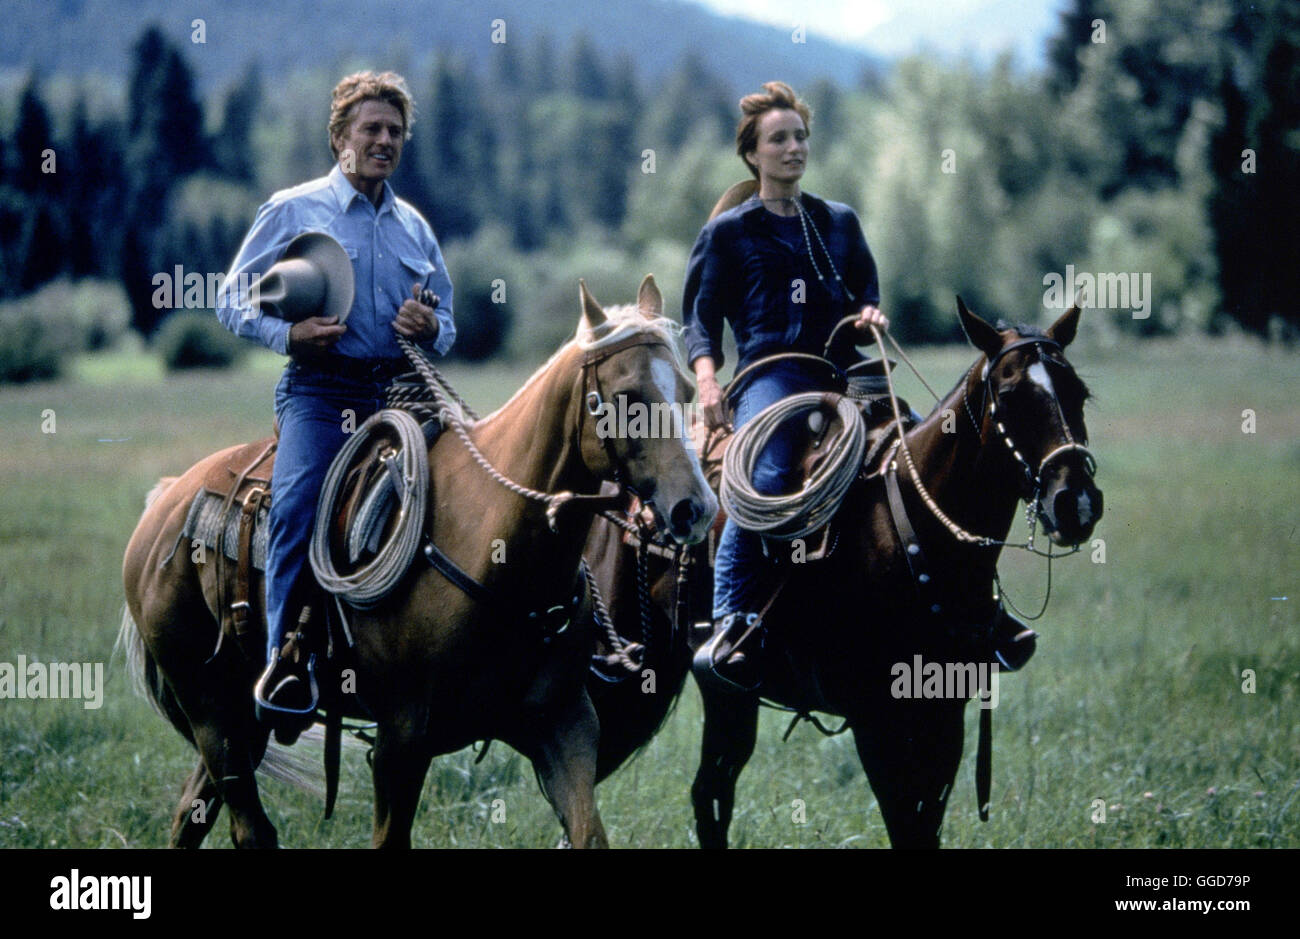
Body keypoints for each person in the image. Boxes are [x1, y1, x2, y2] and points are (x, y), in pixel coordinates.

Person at [215, 71, 455, 728]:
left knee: (470, 490)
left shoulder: (414, 227)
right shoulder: (293, 209)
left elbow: (452, 322)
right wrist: (288, 332)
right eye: (371, 129)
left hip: (400, 390)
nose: (385, 141)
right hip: (320, 390)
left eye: (395, 132)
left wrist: (432, 328)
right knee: (296, 505)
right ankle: (284, 659)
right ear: (339, 138)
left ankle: (435, 647)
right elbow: (231, 298)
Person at [683, 81, 889, 691]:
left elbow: (867, 290)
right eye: (780, 139)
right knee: (763, 480)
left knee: (913, 453)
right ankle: (731, 621)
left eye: (800, 136)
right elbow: (700, 318)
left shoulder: (839, 223)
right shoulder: (728, 233)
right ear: (753, 155)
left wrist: (870, 313)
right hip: (769, 378)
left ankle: (958, 610)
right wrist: (706, 380)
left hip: (841, 375)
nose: (794, 148)